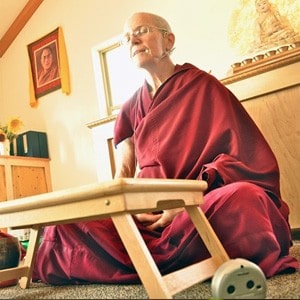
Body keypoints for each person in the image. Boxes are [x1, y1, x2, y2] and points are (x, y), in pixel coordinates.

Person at [31, 12, 298, 285]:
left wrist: (185, 202)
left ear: (168, 40)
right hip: (148, 214)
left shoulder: (203, 86)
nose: (132, 39)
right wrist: (130, 209)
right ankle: (188, 258)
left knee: (245, 200)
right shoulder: (130, 106)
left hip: (198, 204)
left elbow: (243, 157)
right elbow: (122, 176)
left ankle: (148, 261)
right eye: (126, 38)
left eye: (142, 30)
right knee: (64, 226)